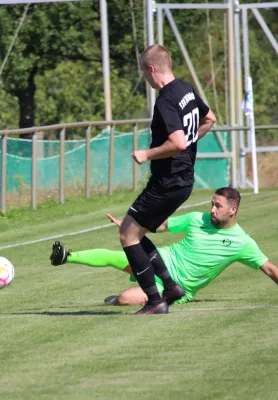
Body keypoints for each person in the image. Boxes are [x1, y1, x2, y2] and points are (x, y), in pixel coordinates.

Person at [50, 187, 278, 309]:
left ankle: (120, 297)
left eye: (218, 206)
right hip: (160, 261)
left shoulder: (242, 243)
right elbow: (162, 226)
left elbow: (269, 268)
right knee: (115, 256)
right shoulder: (197, 219)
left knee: (125, 299)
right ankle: (67, 256)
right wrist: (132, 224)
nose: (211, 209)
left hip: (177, 289)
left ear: (233, 210)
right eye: (212, 203)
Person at [120, 44, 217, 315]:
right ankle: (171, 288)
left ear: (151, 69)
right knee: (135, 233)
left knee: (127, 235)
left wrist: (147, 154)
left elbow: (176, 142)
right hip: (184, 181)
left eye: (144, 73)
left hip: (167, 181)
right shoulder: (185, 89)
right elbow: (210, 118)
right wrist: (189, 141)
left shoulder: (165, 99)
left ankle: (154, 301)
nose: (146, 79)